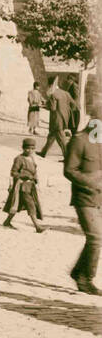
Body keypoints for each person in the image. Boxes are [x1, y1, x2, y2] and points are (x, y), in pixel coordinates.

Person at [63, 112, 102, 295]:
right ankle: (86, 279)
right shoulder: (80, 140)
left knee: (95, 238)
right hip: (84, 197)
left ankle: (79, 271)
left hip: (99, 198)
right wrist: (92, 183)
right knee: (96, 237)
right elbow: (69, 170)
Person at [1, 138, 46, 232]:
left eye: (32, 149)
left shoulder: (32, 159)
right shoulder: (19, 159)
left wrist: (36, 178)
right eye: (27, 148)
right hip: (21, 187)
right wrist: (25, 176)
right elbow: (13, 173)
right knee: (31, 205)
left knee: (17, 206)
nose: (30, 151)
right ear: (23, 148)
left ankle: (7, 221)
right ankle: (37, 226)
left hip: (30, 187)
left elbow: (34, 171)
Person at [37, 77, 72, 159]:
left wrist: (43, 106)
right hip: (64, 118)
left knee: (61, 139)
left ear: (50, 85)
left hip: (56, 120)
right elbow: (71, 104)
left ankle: (68, 157)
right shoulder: (65, 93)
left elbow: (52, 108)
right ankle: (43, 152)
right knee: (51, 137)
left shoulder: (53, 94)